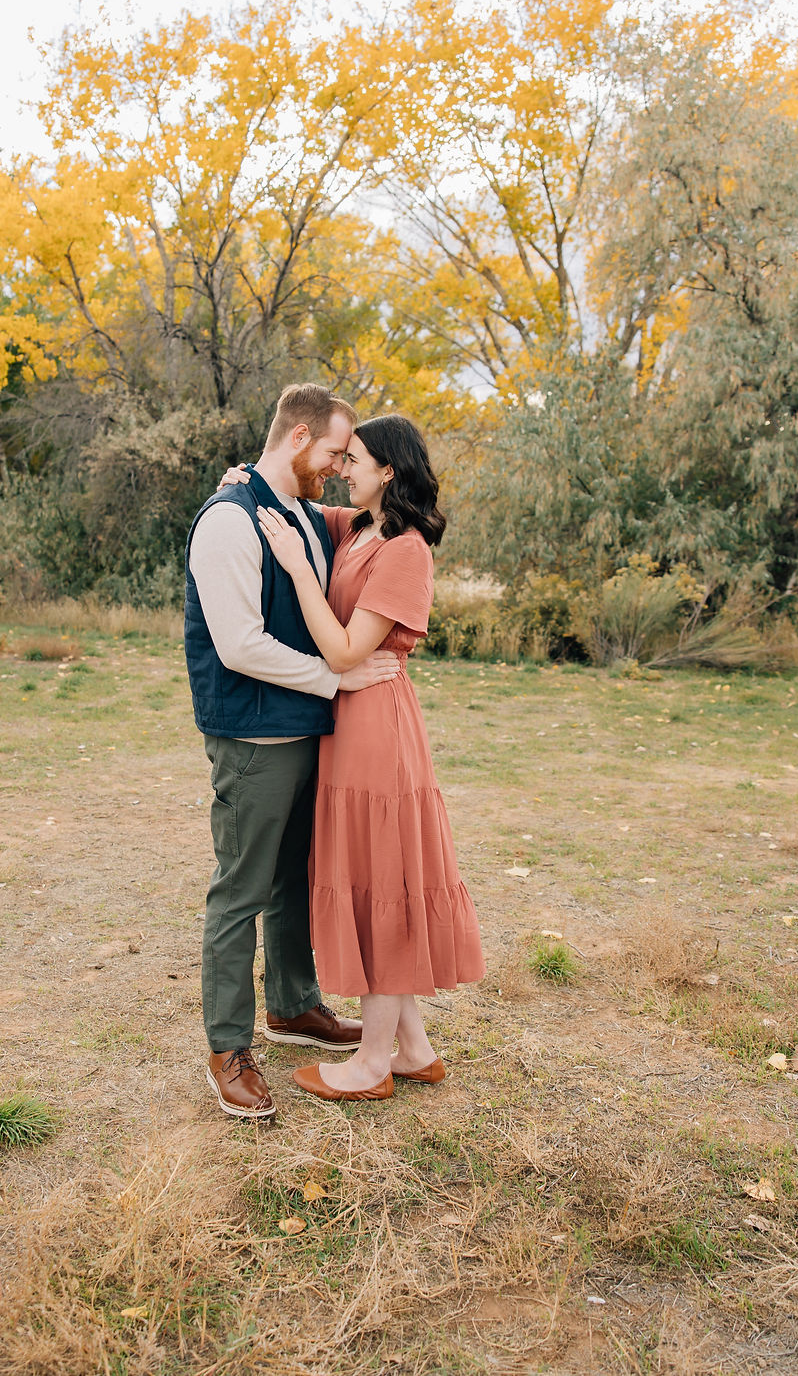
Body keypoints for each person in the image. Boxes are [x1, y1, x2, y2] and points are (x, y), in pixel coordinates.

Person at [250, 414, 484, 1101]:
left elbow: (349, 651)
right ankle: (412, 1049)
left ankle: (371, 1063)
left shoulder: (405, 550)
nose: (342, 469)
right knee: (375, 879)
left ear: (388, 471)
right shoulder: (354, 528)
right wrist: (248, 478)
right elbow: (290, 498)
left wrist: (296, 573)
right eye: (342, 458)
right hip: (345, 725)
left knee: (386, 883)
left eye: (354, 460)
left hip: (378, 730)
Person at [184, 384, 400, 1120]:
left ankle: (294, 1005)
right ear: (300, 437)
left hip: (306, 731)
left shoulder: (305, 515)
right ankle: (226, 1046)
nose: (342, 466)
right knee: (241, 889)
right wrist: (335, 682)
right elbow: (240, 645)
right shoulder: (227, 520)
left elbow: (383, 526)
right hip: (253, 736)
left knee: (295, 882)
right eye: (337, 452)